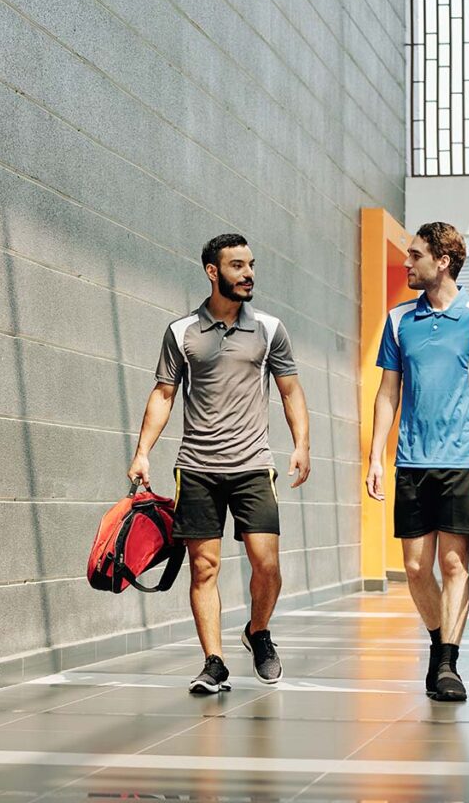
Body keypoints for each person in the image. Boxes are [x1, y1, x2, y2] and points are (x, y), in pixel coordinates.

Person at [128, 233, 311, 694]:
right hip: (198, 467)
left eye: (251, 265)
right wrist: (143, 451)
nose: (248, 274)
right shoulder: (181, 332)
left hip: (253, 465)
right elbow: (164, 394)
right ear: (213, 272)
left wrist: (302, 443)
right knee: (204, 568)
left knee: (265, 563)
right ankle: (214, 662)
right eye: (237, 266)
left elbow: (290, 390)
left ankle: (258, 631)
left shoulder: (270, 329)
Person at [366, 221, 469, 702]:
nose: (407, 263)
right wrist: (375, 456)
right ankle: (439, 644)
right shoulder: (397, 321)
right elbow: (388, 391)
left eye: (415, 256)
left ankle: (448, 663)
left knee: (454, 563)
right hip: (411, 461)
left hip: (461, 459)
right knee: (416, 568)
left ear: (443, 261)